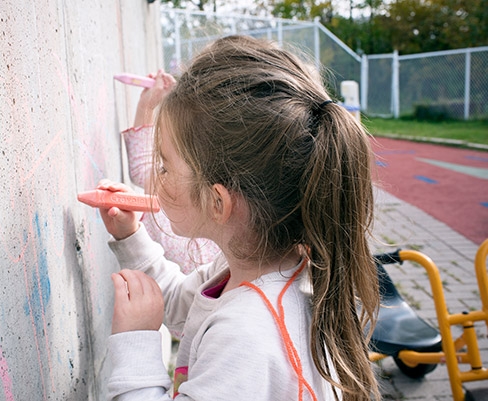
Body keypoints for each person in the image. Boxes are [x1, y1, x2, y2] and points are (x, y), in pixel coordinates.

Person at [97, 35, 380, 401]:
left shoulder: (244, 336)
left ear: (218, 202)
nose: (156, 176)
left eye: (164, 166)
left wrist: (136, 343)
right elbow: (185, 306)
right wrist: (131, 237)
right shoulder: (254, 267)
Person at [121, 70, 220, 274]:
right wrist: (148, 106)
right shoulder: (190, 197)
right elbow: (144, 170)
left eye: (165, 168)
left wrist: (128, 231)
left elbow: (145, 172)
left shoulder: (197, 256)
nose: (159, 177)